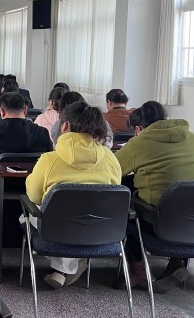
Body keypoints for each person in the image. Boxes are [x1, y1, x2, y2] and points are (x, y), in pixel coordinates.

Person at [115, 102, 194, 289]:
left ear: (138, 129)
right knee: (186, 197)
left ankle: (138, 270)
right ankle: (177, 261)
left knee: (122, 205)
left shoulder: (138, 143)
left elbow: (112, 171)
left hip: (164, 224)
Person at [25, 102, 122, 288]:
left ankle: (64, 269)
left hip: (56, 230)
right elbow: (113, 193)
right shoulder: (111, 159)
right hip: (99, 230)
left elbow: (34, 196)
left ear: (64, 126)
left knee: (34, 214)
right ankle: (69, 267)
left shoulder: (49, 160)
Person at [0, 92, 53, 167]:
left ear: (2, 111)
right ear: (25, 110)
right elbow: (50, 159)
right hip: (34, 176)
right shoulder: (42, 132)